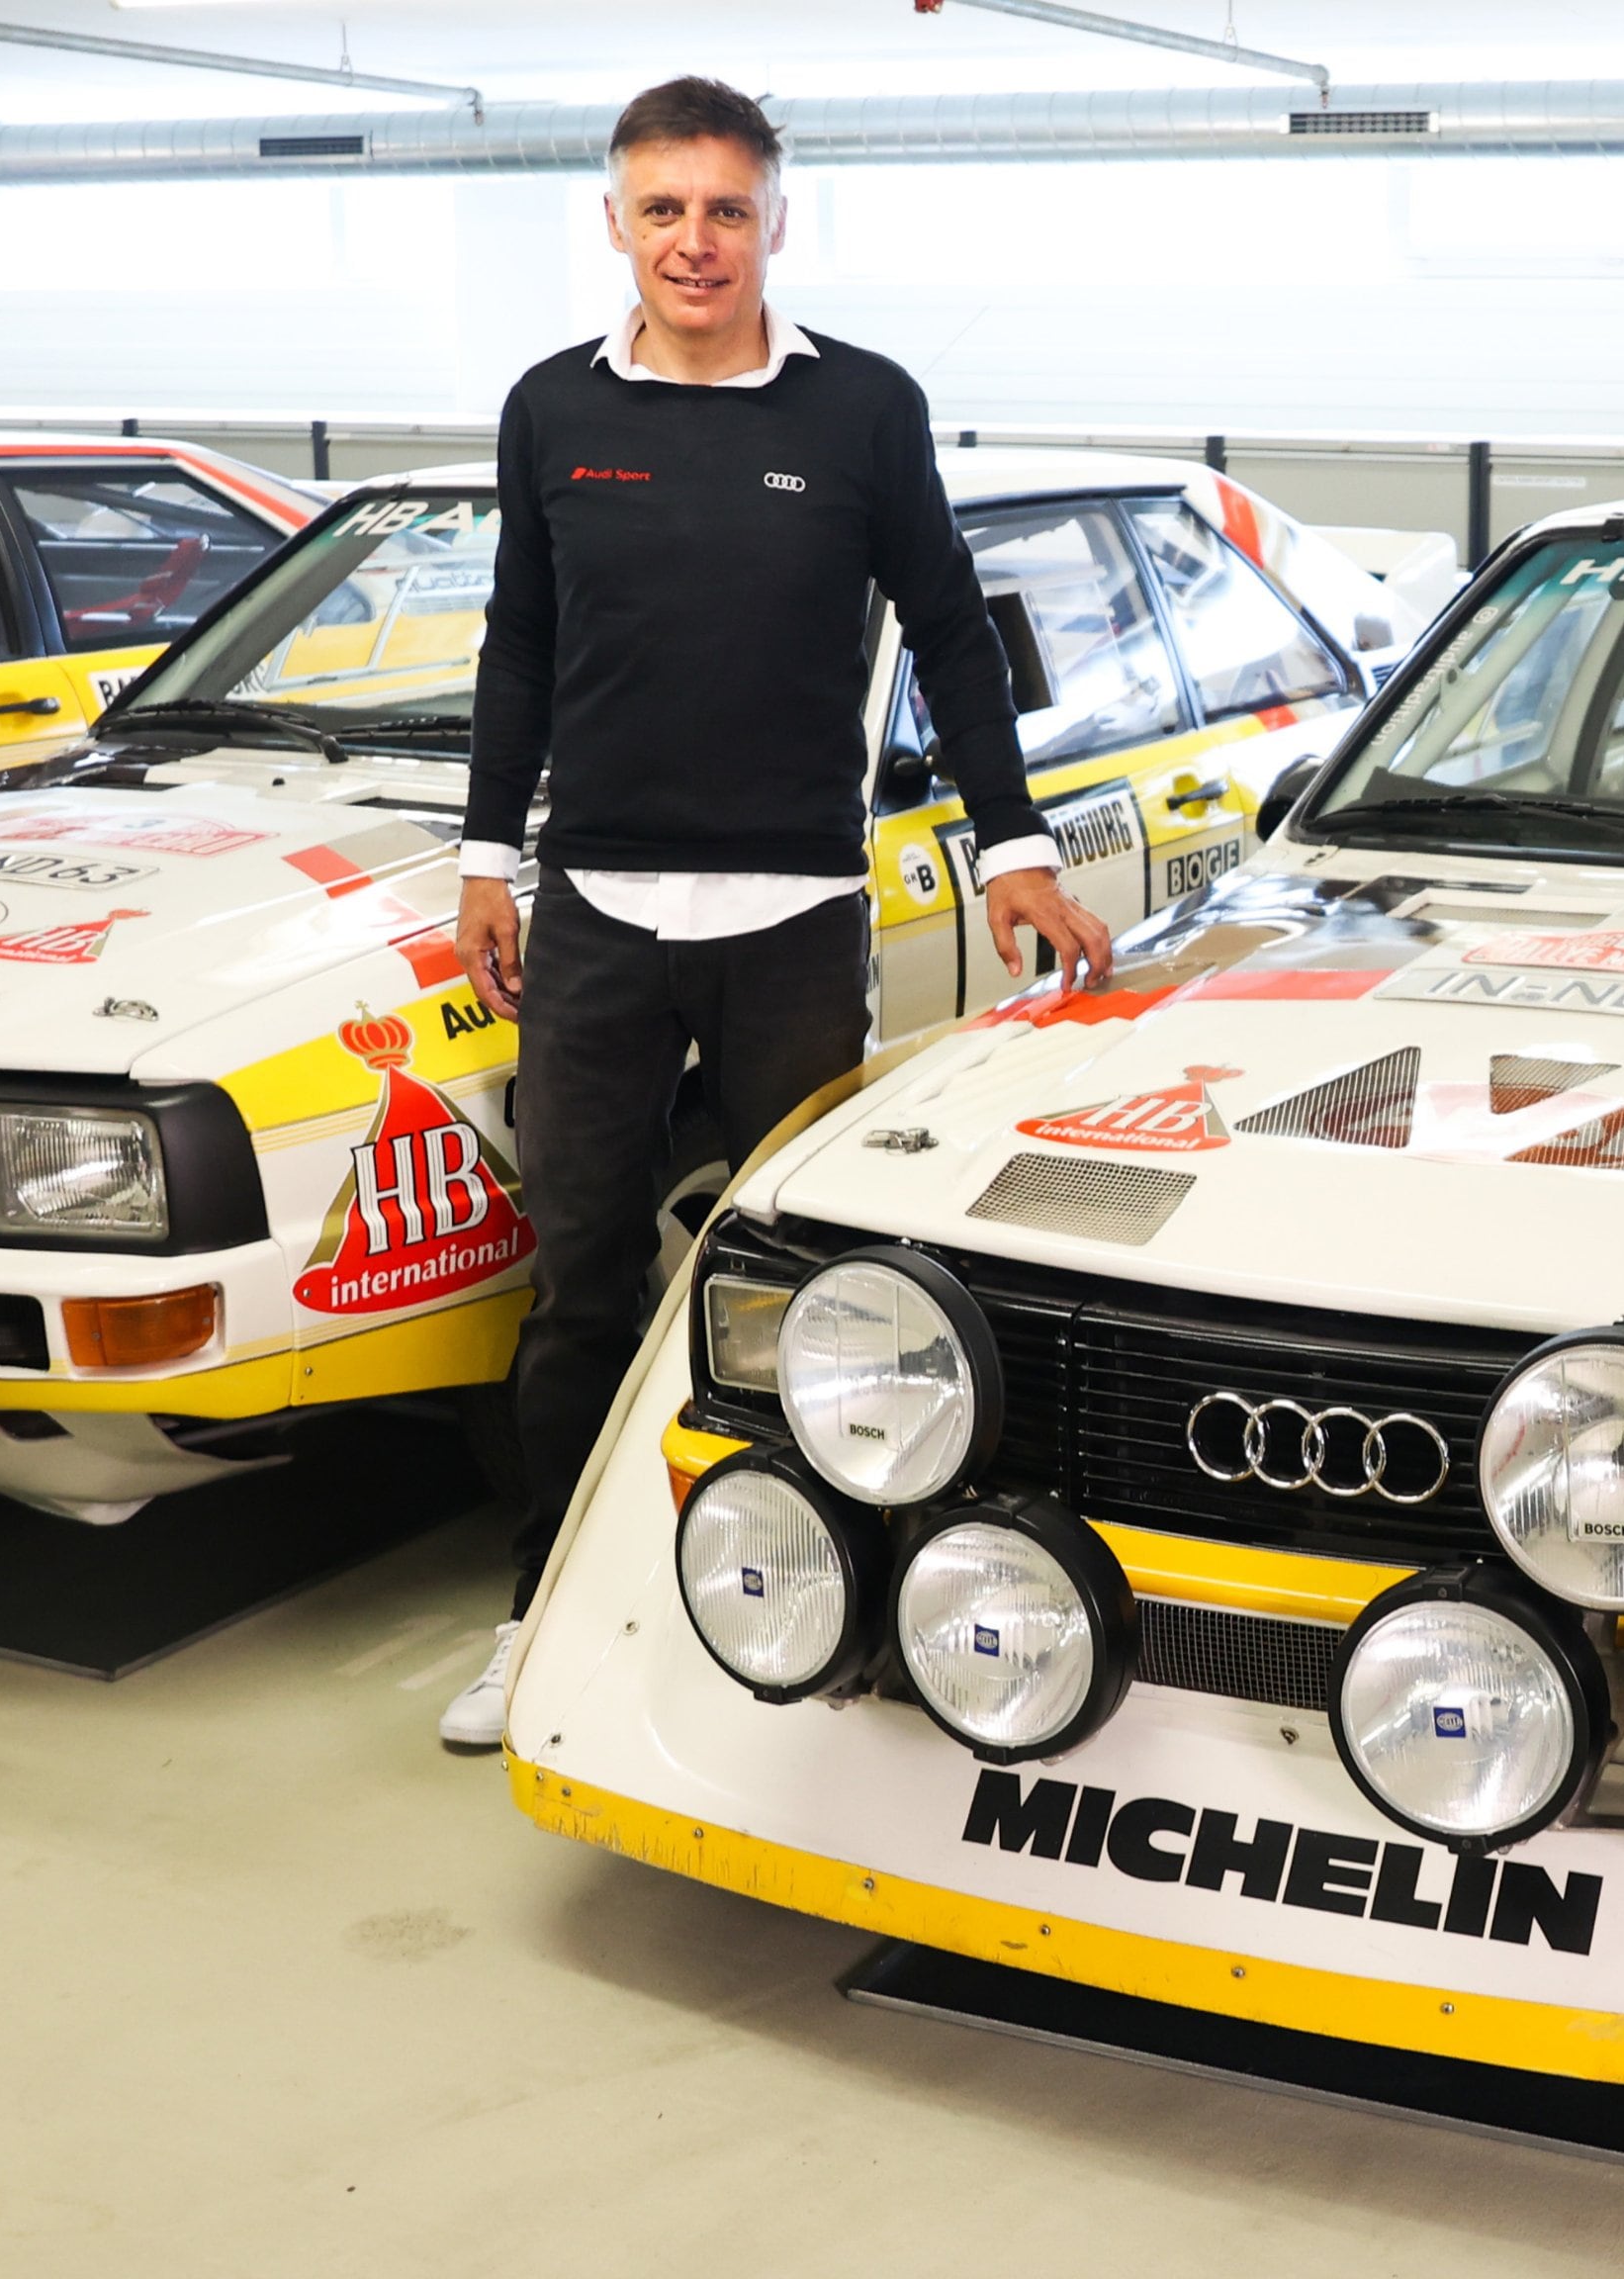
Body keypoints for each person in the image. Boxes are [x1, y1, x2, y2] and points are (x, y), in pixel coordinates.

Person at [432, 77, 1112, 1750]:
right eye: (662, 209)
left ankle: (817, 1613)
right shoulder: (549, 409)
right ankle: (541, 1614)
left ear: (775, 224)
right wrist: (480, 857)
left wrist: (1013, 844)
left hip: (800, 916)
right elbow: (520, 644)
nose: (694, 240)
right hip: (592, 910)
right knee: (580, 1282)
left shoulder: (862, 411)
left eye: (725, 209)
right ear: (616, 224)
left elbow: (952, 635)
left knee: (811, 1283)